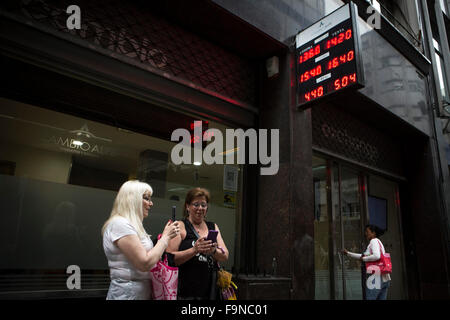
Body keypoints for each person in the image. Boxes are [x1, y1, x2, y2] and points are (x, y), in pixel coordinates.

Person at [102, 180, 180, 300]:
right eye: (146, 198)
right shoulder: (120, 224)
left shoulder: (132, 225)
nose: (151, 203)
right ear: (133, 199)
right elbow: (144, 263)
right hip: (127, 293)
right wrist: (165, 237)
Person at [167, 187, 229, 300]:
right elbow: (169, 258)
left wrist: (213, 251)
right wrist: (194, 250)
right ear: (187, 206)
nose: (200, 208)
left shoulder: (213, 227)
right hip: (184, 293)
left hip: (209, 292)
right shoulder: (180, 226)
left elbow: (225, 255)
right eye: (196, 204)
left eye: (203, 205)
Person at [342, 224, 391, 300]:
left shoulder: (373, 241)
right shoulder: (379, 242)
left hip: (375, 278)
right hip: (384, 278)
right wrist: (348, 254)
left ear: (373, 233)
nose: (366, 234)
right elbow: (363, 256)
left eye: (367, 232)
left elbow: (376, 256)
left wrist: (364, 259)